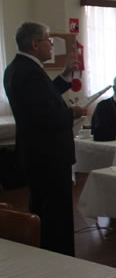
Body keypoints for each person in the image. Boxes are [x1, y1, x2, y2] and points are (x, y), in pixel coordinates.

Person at [4, 22, 87, 256]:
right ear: (35, 44)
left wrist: (65, 76)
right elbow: (45, 114)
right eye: (48, 40)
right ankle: (58, 256)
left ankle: (46, 253)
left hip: (37, 151)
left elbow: (44, 97)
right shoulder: (30, 72)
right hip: (48, 153)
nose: (51, 45)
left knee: (44, 206)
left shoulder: (17, 68)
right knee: (55, 212)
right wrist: (73, 112)